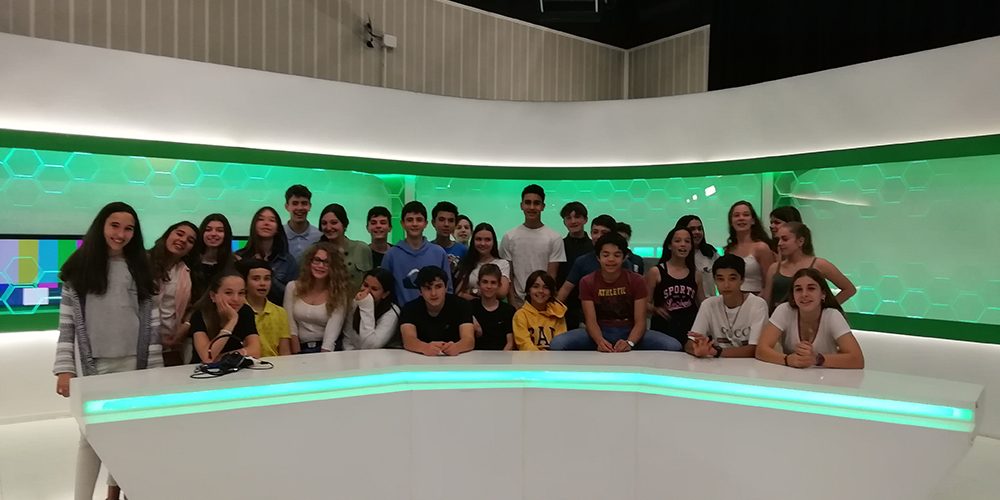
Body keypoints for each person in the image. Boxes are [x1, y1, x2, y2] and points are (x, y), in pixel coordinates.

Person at [53, 202, 160, 500]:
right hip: (94, 368)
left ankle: (117, 492)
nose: (120, 234)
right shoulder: (79, 268)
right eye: (115, 225)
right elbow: (67, 325)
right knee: (89, 438)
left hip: (132, 367)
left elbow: (152, 324)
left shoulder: (140, 268)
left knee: (125, 435)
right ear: (101, 225)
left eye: (128, 229)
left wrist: (155, 371)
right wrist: (65, 369)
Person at [550, 233, 681, 352]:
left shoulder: (636, 280)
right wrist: (600, 341)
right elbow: (591, 321)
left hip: (630, 331)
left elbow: (640, 321)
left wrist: (630, 342)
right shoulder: (587, 281)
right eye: (605, 255)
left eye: (617, 255)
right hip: (598, 332)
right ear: (598, 257)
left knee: (673, 345)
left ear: (624, 257)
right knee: (558, 343)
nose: (611, 259)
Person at [756, 268, 865, 369]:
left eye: (811, 288)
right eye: (798, 289)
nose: (804, 294)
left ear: (823, 294)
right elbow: (761, 350)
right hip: (793, 377)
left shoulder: (832, 315)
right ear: (793, 295)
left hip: (828, 378)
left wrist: (817, 359)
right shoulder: (784, 310)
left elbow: (857, 359)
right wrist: (788, 360)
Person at [685, 254, 769, 359]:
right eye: (720, 279)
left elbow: (755, 349)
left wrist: (715, 352)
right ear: (714, 281)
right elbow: (689, 344)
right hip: (718, 365)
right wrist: (697, 349)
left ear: (742, 279)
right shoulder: (708, 305)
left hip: (750, 365)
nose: (726, 285)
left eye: (732, 279)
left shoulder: (757, 305)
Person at [763, 222, 856, 310]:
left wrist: (825, 308)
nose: (779, 243)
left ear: (800, 241)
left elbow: (849, 289)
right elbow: (767, 301)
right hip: (779, 318)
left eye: (785, 239)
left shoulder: (819, 264)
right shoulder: (774, 268)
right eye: (778, 240)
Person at [499, 184, 566, 307]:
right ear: (521, 205)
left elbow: (551, 276)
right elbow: (508, 275)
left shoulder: (555, 238)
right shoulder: (509, 237)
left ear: (543, 206)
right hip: (518, 303)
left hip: (543, 303)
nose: (531, 207)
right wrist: (513, 304)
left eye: (536, 203)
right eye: (527, 202)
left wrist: (545, 304)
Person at [381, 201, 452, 306]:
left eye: (419, 220)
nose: (414, 224)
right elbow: (384, 289)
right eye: (410, 220)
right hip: (401, 313)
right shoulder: (391, 255)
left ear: (425, 223)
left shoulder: (439, 253)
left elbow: (448, 289)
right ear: (402, 223)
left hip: (435, 313)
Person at [284, 242, 350, 353]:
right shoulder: (292, 287)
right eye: (317, 260)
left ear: (334, 267)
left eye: (326, 262)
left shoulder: (339, 293)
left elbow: (331, 336)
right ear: (310, 262)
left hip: (326, 350)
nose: (320, 266)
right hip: (298, 348)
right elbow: (290, 326)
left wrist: (322, 359)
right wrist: (297, 355)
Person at [148, 221, 199, 366]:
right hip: (143, 342)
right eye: (179, 234)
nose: (183, 240)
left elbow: (193, 305)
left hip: (173, 344)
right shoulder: (144, 262)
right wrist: (156, 337)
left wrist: (185, 327)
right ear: (168, 234)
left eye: (190, 240)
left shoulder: (188, 271)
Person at [555, 214, 617, 328]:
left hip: (617, 321)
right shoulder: (582, 261)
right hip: (586, 322)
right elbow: (565, 290)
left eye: (604, 233)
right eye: (595, 232)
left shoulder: (622, 262)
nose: (598, 236)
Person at [646, 226, 703, 346]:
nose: (683, 244)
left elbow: (703, 305)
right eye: (677, 241)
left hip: (689, 330)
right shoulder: (656, 272)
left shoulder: (696, 274)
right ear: (669, 245)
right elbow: (644, 304)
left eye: (687, 241)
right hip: (664, 330)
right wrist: (655, 309)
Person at [400, 266, 475, 356]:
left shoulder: (462, 305)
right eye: (428, 288)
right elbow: (408, 340)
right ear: (420, 291)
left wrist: (457, 347)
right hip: (421, 358)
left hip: (456, 359)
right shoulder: (409, 308)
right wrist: (424, 347)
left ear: (446, 288)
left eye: (438, 286)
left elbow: (469, 340)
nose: (433, 293)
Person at [189, 271, 262, 364]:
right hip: (200, 370)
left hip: (232, 368)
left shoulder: (245, 311)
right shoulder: (200, 314)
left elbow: (255, 350)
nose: (236, 299)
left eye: (241, 293)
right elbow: (207, 357)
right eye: (228, 293)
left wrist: (223, 357)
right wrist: (232, 321)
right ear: (213, 296)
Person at [235, 206, 298, 304]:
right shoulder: (240, 257)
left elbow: (291, 295)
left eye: (272, 220)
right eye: (261, 219)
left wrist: (265, 269)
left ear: (278, 228)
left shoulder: (287, 260)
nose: (266, 223)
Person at [237, 258, 291, 357]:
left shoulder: (280, 312)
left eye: (267, 279)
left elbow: (285, 351)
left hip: (275, 364)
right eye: (256, 279)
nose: (262, 283)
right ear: (245, 283)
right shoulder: (238, 311)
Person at [341, 267, 402, 350]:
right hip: (354, 354)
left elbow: (370, 346)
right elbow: (347, 338)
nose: (366, 291)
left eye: (374, 289)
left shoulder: (391, 313)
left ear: (385, 294)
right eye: (365, 285)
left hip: (381, 355)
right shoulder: (355, 303)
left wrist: (366, 307)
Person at [318, 203, 373, 291]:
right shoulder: (316, 252)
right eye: (324, 223)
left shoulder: (361, 249)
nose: (328, 227)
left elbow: (370, 283)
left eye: (334, 223)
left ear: (344, 224)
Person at [723, 200, 774, 294]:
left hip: (756, 298)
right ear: (731, 222)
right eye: (736, 215)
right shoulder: (729, 250)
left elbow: (769, 284)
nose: (741, 218)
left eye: (746, 215)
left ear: (753, 220)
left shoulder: (761, 248)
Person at [454, 223, 512, 301]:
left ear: (493, 242)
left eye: (487, 239)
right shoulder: (466, 263)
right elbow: (459, 293)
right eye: (479, 239)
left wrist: (473, 291)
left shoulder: (502, 264)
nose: (483, 243)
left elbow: (502, 293)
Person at [512, 270, 568, 350]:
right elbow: (524, 344)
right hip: (529, 357)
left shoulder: (558, 313)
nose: (541, 291)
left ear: (551, 293)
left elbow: (561, 343)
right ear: (528, 291)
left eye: (546, 287)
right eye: (535, 286)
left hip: (554, 357)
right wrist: (541, 356)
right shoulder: (520, 315)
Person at [470, 264, 516, 350]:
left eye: (493, 283)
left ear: (499, 285)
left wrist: (502, 357)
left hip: (502, 356)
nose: (489, 286)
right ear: (478, 284)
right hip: (475, 355)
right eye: (485, 282)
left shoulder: (508, 310)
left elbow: (510, 343)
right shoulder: (469, 307)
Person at [676, 214, 719, 298]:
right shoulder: (676, 255)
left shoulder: (710, 252)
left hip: (709, 302)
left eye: (699, 229)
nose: (697, 232)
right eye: (692, 229)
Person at [557, 201, 592, 289]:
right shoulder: (559, 245)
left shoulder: (594, 247)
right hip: (562, 295)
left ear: (585, 219)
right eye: (568, 218)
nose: (573, 221)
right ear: (564, 222)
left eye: (577, 217)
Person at [196, 213, 234, 290]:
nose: (213, 234)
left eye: (220, 230)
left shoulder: (235, 263)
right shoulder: (190, 262)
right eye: (208, 230)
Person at [284, 184, 321, 259]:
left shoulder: (319, 236)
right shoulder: (279, 234)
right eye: (295, 203)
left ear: (310, 206)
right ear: (287, 207)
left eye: (304, 203)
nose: (300, 208)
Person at [431, 201, 468, 274]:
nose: (446, 224)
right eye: (441, 220)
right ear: (433, 222)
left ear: (455, 224)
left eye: (451, 220)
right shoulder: (426, 250)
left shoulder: (463, 250)